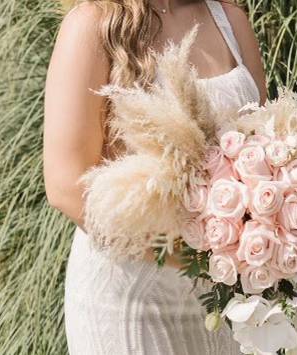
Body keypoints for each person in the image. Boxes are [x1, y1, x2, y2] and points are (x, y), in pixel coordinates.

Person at [43, 1, 266, 353]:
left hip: (228, 301)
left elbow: (262, 146)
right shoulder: (92, 25)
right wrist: (196, 256)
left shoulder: (231, 20)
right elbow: (66, 185)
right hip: (130, 302)